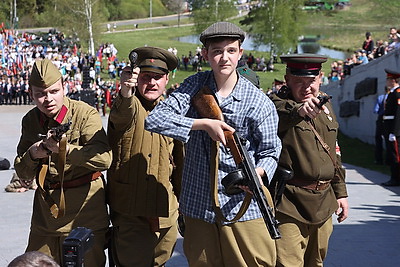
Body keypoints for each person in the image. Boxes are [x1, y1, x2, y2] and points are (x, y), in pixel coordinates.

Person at [145, 22, 281, 266]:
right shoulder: (194, 86)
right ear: (205, 54)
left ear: (240, 54)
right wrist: (204, 124)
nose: (224, 58)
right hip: (199, 207)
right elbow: (154, 119)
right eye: (217, 51)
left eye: (231, 51)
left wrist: (258, 174)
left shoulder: (258, 102)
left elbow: (271, 151)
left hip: (243, 207)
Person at [13, 58, 112, 266]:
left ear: (64, 87)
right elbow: (22, 173)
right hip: (46, 217)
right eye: (40, 94)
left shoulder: (85, 114)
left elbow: (104, 159)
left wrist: (63, 150)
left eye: (53, 91)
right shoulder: (30, 121)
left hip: (85, 215)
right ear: (31, 94)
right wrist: (34, 154)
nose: (47, 99)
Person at [106, 46, 184, 266]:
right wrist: (125, 91)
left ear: (167, 79)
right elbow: (122, 114)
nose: (152, 83)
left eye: (158, 77)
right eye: (146, 76)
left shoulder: (172, 111)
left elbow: (179, 163)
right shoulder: (128, 105)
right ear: (136, 78)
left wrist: (182, 206)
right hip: (132, 214)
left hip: (165, 214)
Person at [269, 54, 349, 267]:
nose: (306, 88)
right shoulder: (277, 105)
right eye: (298, 82)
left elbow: (335, 153)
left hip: (324, 202)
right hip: (289, 205)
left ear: (320, 78)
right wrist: (299, 110)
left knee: (316, 262)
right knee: (287, 263)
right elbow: (280, 112)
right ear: (287, 79)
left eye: (311, 81)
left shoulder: (326, 106)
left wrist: (340, 192)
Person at [382, 69, 400, 186]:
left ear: (393, 80)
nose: (387, 81)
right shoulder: (392, 93)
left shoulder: (398, 93)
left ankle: (396, 179)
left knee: (396, 155)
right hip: (389, 127)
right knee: (391, 154)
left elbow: (399, 113)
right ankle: (394, 177)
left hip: (394, 129)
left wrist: (394, 131)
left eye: (388, 79)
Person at [374, 86, 390, 165]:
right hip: (389, 120)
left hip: (381, 119)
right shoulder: (392, 98)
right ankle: (389, 160)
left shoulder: (381, 97)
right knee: (388, 141)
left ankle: (379, 159)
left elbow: (376, 110)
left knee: (378, 140)